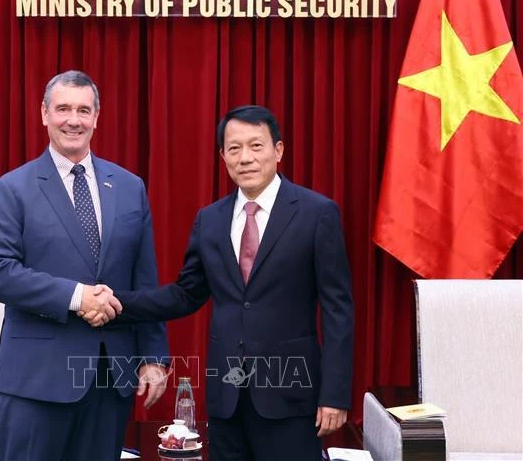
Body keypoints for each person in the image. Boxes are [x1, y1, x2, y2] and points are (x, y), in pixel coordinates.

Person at [84, 105, 354, 460]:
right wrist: (116, 303)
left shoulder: (317, 214)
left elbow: (338, 310)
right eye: (234, 148)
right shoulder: (209, 220)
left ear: (279, 150)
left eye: (256, 146)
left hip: (291, 394)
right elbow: (185, 294)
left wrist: (334, 394)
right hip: (227, 399)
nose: (245, 158)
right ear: (222, 155)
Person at [0, 70, 169, 461]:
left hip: (109, 377)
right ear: (44, 114)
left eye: (84, 110)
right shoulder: (12, 189)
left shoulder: (130, 186)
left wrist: (153, 356)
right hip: (36, 380)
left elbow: (144, 279)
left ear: (97, 118)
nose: (74, 119)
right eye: (63, 108)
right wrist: (76, 296)